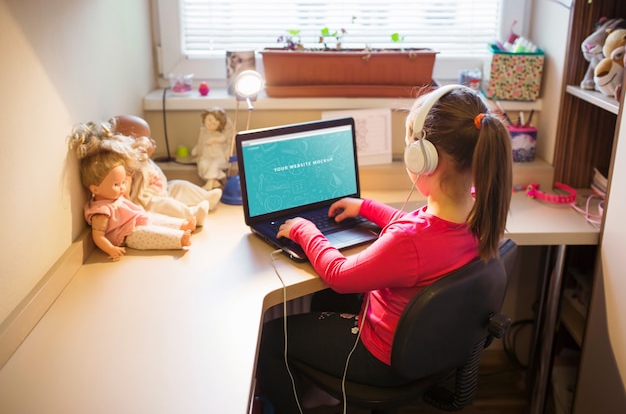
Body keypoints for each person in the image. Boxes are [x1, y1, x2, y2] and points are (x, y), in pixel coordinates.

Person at [255, 85, 513, 413]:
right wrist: (367, 207)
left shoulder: (408, 240)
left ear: (423, 159)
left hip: (382, 358)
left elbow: (339, 275)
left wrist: (306, 230)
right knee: (326, 302)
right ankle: (329, 392)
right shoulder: (479, 214)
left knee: (273, 337)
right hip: (430, 349)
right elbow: (417, 232)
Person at [76, 149, 195, 261]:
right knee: (149, 235)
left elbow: (127, 203)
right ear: (95, 189)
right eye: (116, 185)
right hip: (128, 235)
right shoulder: (101, 211)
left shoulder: (114, 197)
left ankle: (183, 225)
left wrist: (126, 190)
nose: (122, 187)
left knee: (155, 218)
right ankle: (178, 239)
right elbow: (98, 236)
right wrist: (110, 249)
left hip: (137, 218)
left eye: (123, 182)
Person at [109, 115, 223, 226]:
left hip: (163, 192)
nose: (153, 142)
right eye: (148, 139)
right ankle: (192, 215)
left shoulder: (146, 161)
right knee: (167, 205)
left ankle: (206, 197)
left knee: (179, 185)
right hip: (148, 203)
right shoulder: (129, 167)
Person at [192, 107, 233, 190]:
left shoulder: (218, 135)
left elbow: (223, 139)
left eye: (214, 123)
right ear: (205, 117)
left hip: (219, 158)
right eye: (209, 120)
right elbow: (201, 143)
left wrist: (214, 140)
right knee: (202, 165)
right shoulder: (203, 132)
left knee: (214, 165)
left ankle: (210, 184)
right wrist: (196, 150)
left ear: (219, 126)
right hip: (207, 157)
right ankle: (218, 178)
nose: (210, 124)